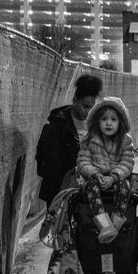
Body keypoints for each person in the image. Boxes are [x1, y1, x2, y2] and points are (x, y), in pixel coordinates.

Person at [36, 74, 103, 207]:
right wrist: (61, 188)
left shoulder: (96, 126)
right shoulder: (58, 124)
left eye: (91, 107)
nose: (88, 111)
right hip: (60, 190)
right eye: (85, 106)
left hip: (88, 190)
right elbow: (50, 162)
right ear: (75, 100)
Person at [76, 97, 135, 244]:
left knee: (125, 186)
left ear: (120, 122)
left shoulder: (125, 141)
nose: (109, 123)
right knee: (90, 187)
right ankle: (104, 224)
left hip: (116, 179)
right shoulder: (89, 140)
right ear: (97, 121)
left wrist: (114, 177)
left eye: (113, 119)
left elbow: (127, 162)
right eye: (104, 119)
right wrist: (95, 174)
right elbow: (83, 161)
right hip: (96, 178)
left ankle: (116, 221)